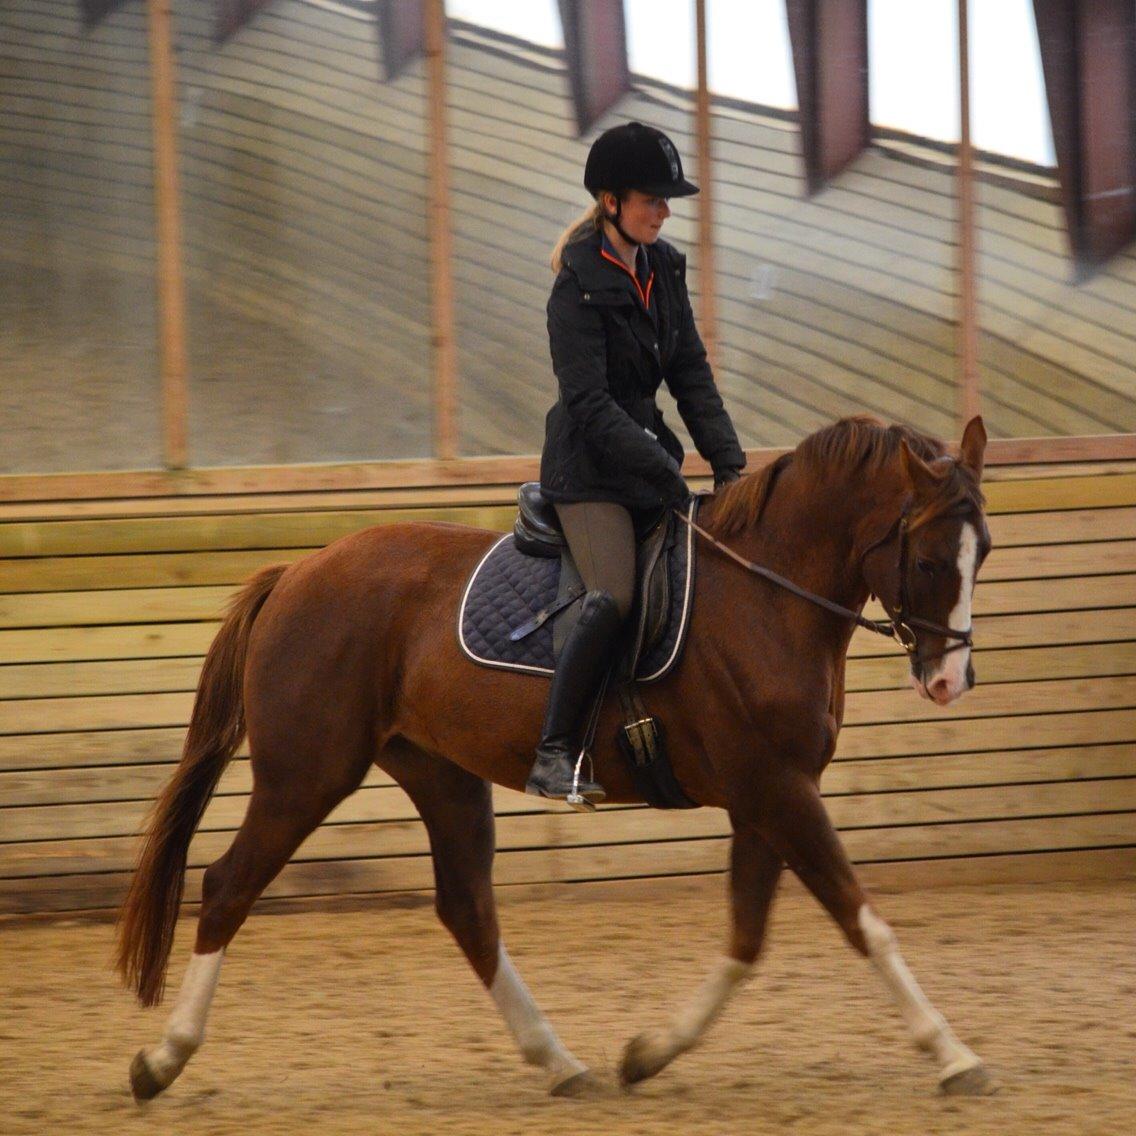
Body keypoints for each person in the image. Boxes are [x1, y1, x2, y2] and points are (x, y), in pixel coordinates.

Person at [524, 121, 746, 807]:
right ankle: (554, 752)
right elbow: (587, 403)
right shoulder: (576, 286)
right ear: (612, 201)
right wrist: (663, 472)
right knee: (614, 596)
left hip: (648, 459)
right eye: (653, 198)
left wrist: (731, 466)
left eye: (667, 200)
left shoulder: (664, 267)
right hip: (589, 472)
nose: (665, 210)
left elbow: (690, 372)